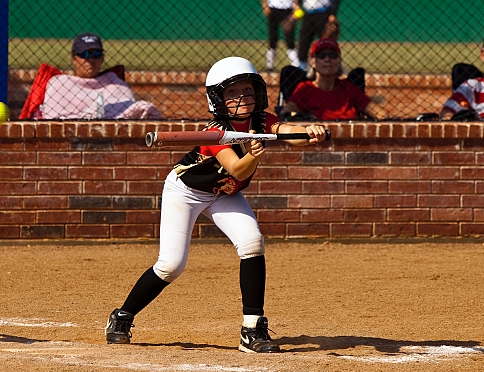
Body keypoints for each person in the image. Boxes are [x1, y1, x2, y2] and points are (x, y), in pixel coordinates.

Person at [104, 57, 327, 353]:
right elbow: (237, 169)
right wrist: (254, 155)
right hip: (186, 191)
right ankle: (122, 316)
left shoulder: (262, 120)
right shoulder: (215, 133)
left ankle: (252, 329)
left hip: (224, 193)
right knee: (171, 265)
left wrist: (308, 134)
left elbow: (285, 132)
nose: (242, 98)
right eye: (232, 93)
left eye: (247, 90)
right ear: (218, 99)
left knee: (252, 242)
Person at [41, 33, 162, 120]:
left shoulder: (115, 83)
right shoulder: (60, 83)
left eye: (96, 54)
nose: (91, 60)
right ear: (74, 58)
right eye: (85, 54)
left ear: (103, 58)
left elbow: (130, 111)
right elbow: (52, 118)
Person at [282, 38, 387, 120]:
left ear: (339, 61)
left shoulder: (347, 88)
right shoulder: (305, 89)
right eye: (321, 55)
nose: (327, 59)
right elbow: (286, 113)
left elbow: (379, 113)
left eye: (333, 55)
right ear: (313, 61)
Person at [297, 0, 341, 71]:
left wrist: (333, 13)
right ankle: (302, 68)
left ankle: (333, 67)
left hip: (323, 13)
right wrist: (297, 5)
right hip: (308, 13)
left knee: (326, 42)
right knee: (303, 42)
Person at [261, 0, 301, 71]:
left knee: (289, 38)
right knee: (272, 38)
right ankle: (270, 66)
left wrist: (296, 4)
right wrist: (265, 5)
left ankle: (296, 65)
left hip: (288, 9)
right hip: (272, 8)